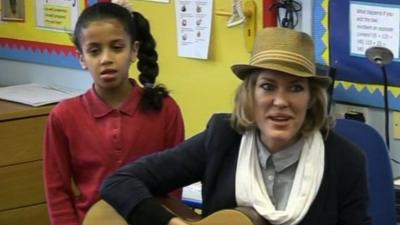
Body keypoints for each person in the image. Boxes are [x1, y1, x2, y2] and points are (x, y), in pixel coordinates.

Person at [100, 27, 371, 225]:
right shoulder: (222, 138)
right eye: (267, 86)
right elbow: (120, 182)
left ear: (311, 99)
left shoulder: (345, 161)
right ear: (250, 94)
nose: (280, 101)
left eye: (295, 88)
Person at [43, 2, 185, 225]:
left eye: (117, 47)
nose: (106, 59)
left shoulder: (165, 109)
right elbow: (57, 192)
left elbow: (175, 185)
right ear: (81, 58)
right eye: (94, 51)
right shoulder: (63, 116)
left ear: (134, 50)